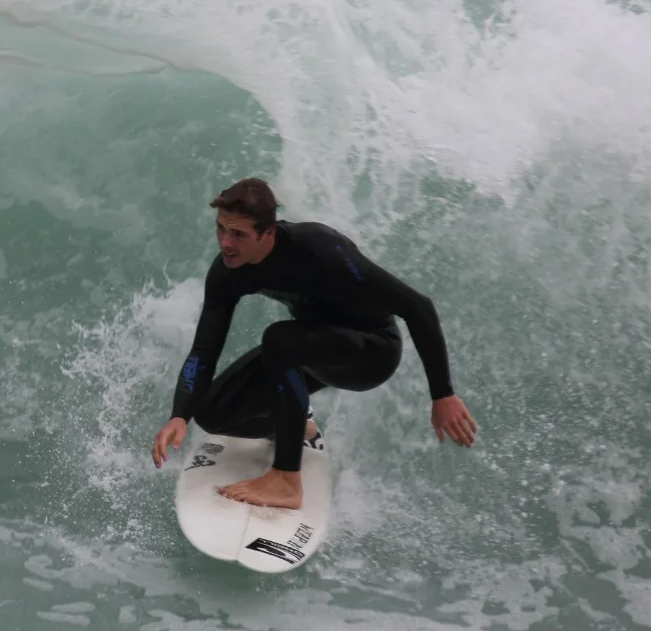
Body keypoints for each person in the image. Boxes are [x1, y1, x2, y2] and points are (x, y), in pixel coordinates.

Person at [150, 177, 476, 509]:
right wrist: (180, 415)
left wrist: (442, 394)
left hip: (371, 351)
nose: (225, 243)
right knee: (212, 413)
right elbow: (205, 349)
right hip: (310, 350)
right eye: (220, 229)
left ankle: (287, 480)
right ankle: (294, 427)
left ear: (269, 233)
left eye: (239, 234)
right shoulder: (229, 272)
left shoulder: (319, 248)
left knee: (279, 338)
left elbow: (417, 307)